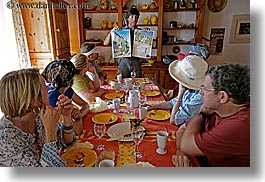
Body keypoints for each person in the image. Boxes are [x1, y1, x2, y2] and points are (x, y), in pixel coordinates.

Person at [173, 63, 250, 167]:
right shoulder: (218, 110)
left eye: (204, 88)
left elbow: (186, 144)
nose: (200, 92)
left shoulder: (239, 125)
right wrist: (180, 152)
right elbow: (182, 130)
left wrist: (202, 114)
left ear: (222, 96)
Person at [0, 68, 75, 167]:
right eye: (44, 86)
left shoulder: (38, 116)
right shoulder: (6, 138)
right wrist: (50, 130)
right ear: (32, 100)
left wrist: (66, 117)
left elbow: (66, 143)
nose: (49, 89)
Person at [148, 55, 208, 127]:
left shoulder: (200, 96)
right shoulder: (189, 88)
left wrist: (180, 95)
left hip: (187, 130)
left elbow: (174, 120)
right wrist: (152, 107)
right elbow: (171, 103)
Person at [41, 60, 90, 136]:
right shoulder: (52, 97)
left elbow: (85, 104)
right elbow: (76, 131)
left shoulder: (67, 90)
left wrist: (80, 114)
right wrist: (78, 118)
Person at [104, 7, 146, 78]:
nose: (134, 19)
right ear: (127, 18)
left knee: (137, 83)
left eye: (136, 17)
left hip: (136, 61)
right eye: (132, 17)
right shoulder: (121, 31)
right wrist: (112, 31)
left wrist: (146, 33)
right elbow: (105, 43)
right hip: (123, 61)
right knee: (123, 83)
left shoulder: (141, 32)